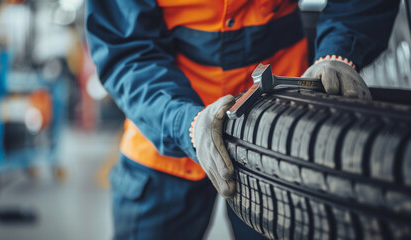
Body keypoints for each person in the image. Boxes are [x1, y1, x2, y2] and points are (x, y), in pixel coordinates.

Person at [86, 0, 399, 239]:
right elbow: (127, 49)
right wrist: (187, 125)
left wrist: (339, 53)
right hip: (164, 139)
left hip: (278, 137)